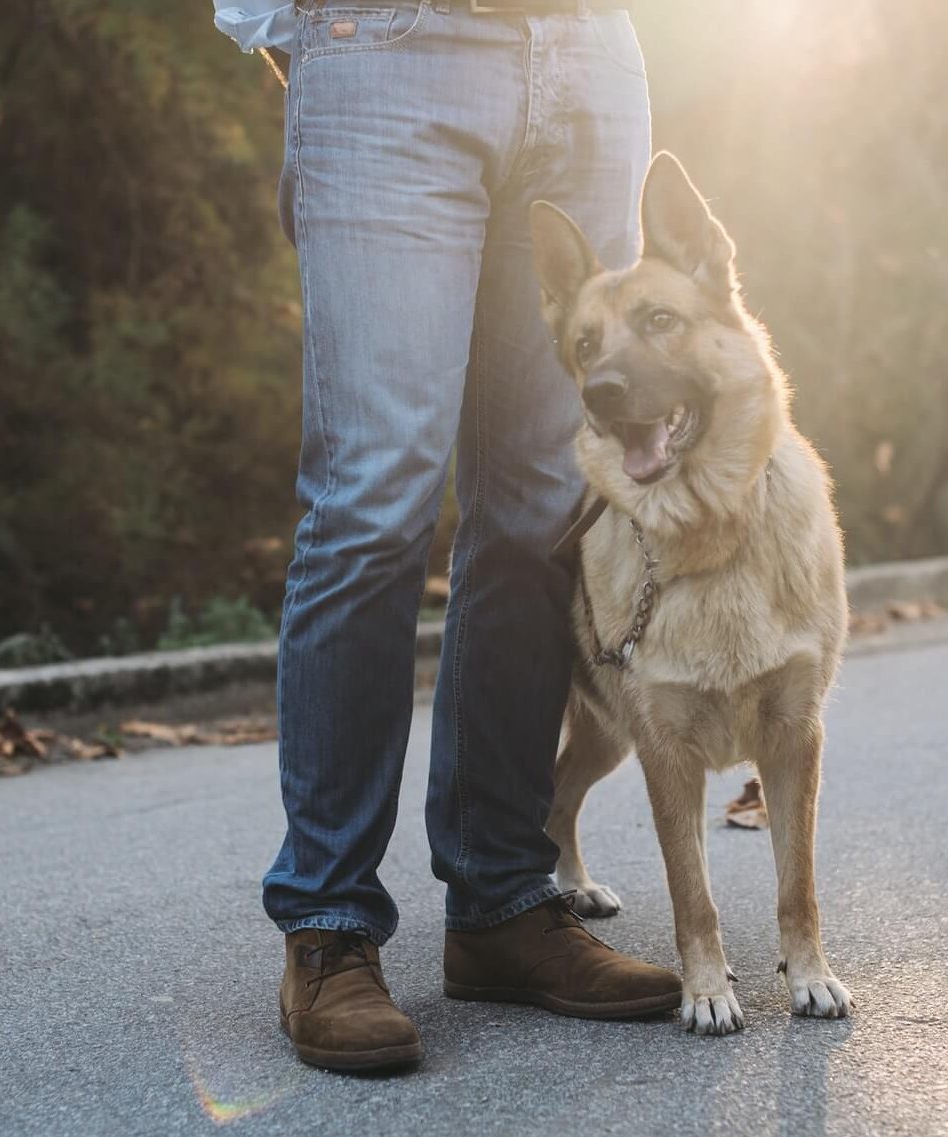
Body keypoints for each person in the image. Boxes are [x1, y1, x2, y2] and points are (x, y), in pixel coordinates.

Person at [211, 0, 679, 1072]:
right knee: (375, 497)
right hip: (385, 50)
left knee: (539, 505)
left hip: (586, 53)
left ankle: (503, 903)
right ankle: (327, 926)